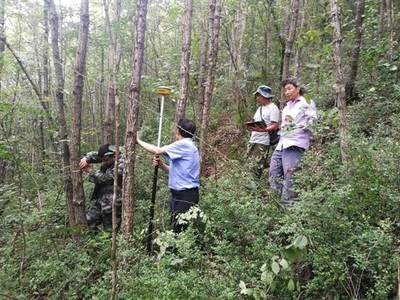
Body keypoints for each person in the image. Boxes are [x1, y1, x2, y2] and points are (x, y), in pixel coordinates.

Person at [136, 118, 200, 233]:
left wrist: (138, 141)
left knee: (178, 232)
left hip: (185, 195)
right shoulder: (187, 146)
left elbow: (157, 150)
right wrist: (161, 165)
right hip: (180, 195)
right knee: (176, 229)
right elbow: (175, 171)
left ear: (178, 131)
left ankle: (177, 251)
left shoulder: (184, 144)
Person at [269, 79, 317, 207]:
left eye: (289, 88)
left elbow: (312, 121)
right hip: (282, 144)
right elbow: (285, 127)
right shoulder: (286, 107)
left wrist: (296, 127)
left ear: (298, 88)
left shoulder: (306, 103)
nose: (286, 92)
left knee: (290, 178)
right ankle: (276, 206)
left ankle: (288, 209)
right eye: (285, 90)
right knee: (273, 173)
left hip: (295, 144)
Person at [79, 144, 124, 231]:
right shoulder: (107, 156)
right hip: (100, 198)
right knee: (88, 222)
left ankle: (107, 242)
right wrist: (85, 159)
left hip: (113, 201)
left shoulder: (122, 163)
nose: (103, 162)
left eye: (106, 160)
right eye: (102, 160)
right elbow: (95, 155)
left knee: (110, 230)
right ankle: (97, 242)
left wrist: (91, 171)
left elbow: (107, 178)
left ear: (114, 156)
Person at [245, 85, 280, 178]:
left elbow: (275, 125)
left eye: (258, 95)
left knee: (256, 167)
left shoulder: (273, 108)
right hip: (253, 140)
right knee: (249, 165)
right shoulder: (259, 108)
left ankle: (254, 186)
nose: (257, 98)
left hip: (263, 142)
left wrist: (263, 130)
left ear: (264, 96)